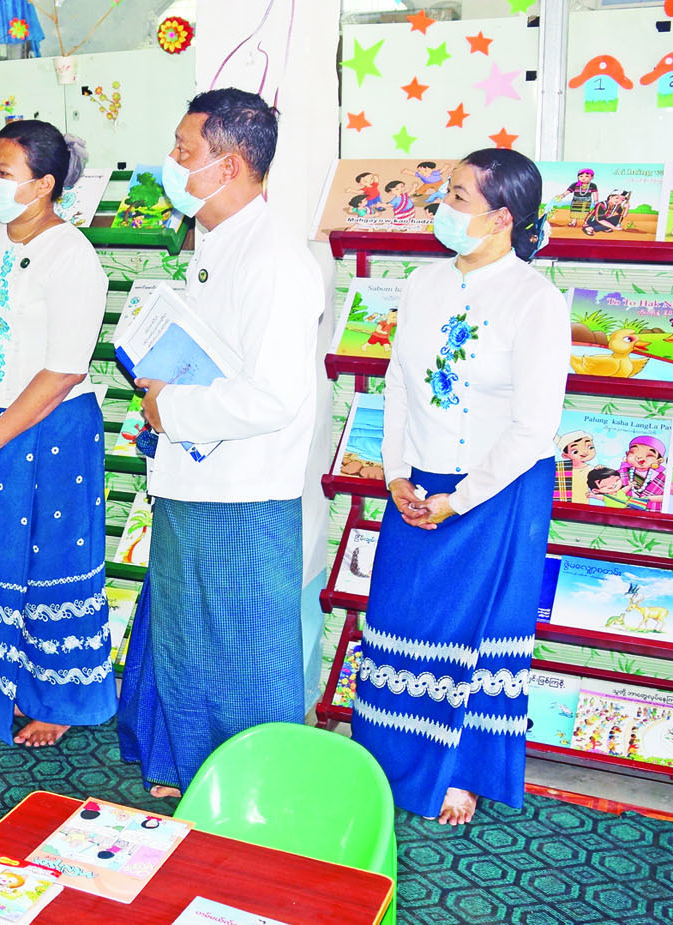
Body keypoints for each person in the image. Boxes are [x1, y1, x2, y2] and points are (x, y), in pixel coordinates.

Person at [117, 89, 323, 798]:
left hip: (244, 492)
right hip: (193, 477)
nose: (170, 163)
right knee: (188, 642)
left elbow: (273, 397)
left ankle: (257, 796)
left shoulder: (276, 261)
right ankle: (194, 776)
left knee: (244, 656)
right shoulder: (218, 244)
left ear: (228, 165)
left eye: (184, 150)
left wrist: (169, 405)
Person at [353, 148, 568, 826]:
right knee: (401, 619)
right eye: (445, 192)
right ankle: (384, 759)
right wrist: (396, 473)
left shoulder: (537, 301)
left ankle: (460, 774)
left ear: (502, 218)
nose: (441, 207)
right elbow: (396, 385)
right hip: (417, 484)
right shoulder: (422, 284)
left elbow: (534, 427)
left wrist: (460, 499)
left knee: (480, 631)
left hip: (499, 492)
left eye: (457, 197)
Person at [0, 119, 114, 748]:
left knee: (53, 561)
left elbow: (65, 368)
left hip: (51, 429)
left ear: (44, 185)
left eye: (3, 172)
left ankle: (59, 701)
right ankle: (3, 688)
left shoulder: (72, 255)